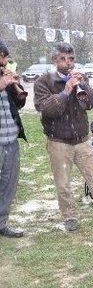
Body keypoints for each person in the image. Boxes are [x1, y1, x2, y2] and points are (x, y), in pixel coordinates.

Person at [34, 42, 93, 232]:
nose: (67, 63)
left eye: (71, 59)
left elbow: (91, 103)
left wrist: (83, 85)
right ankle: (69, 217)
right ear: (54, 60)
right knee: (63, 183)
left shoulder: (80, 78)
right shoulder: (43, 82)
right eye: (62, 59)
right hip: (59, 141)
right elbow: (48, 110)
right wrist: (65, 91)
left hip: (82, 140)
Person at [0, 40, 27, 238]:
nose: (5, 61)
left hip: (10, 139)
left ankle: (1, 223)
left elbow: (18, 106)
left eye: (5, 56)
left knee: (8, 184)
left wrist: (17, 88)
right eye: (2, 56)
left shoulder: (5, 75)